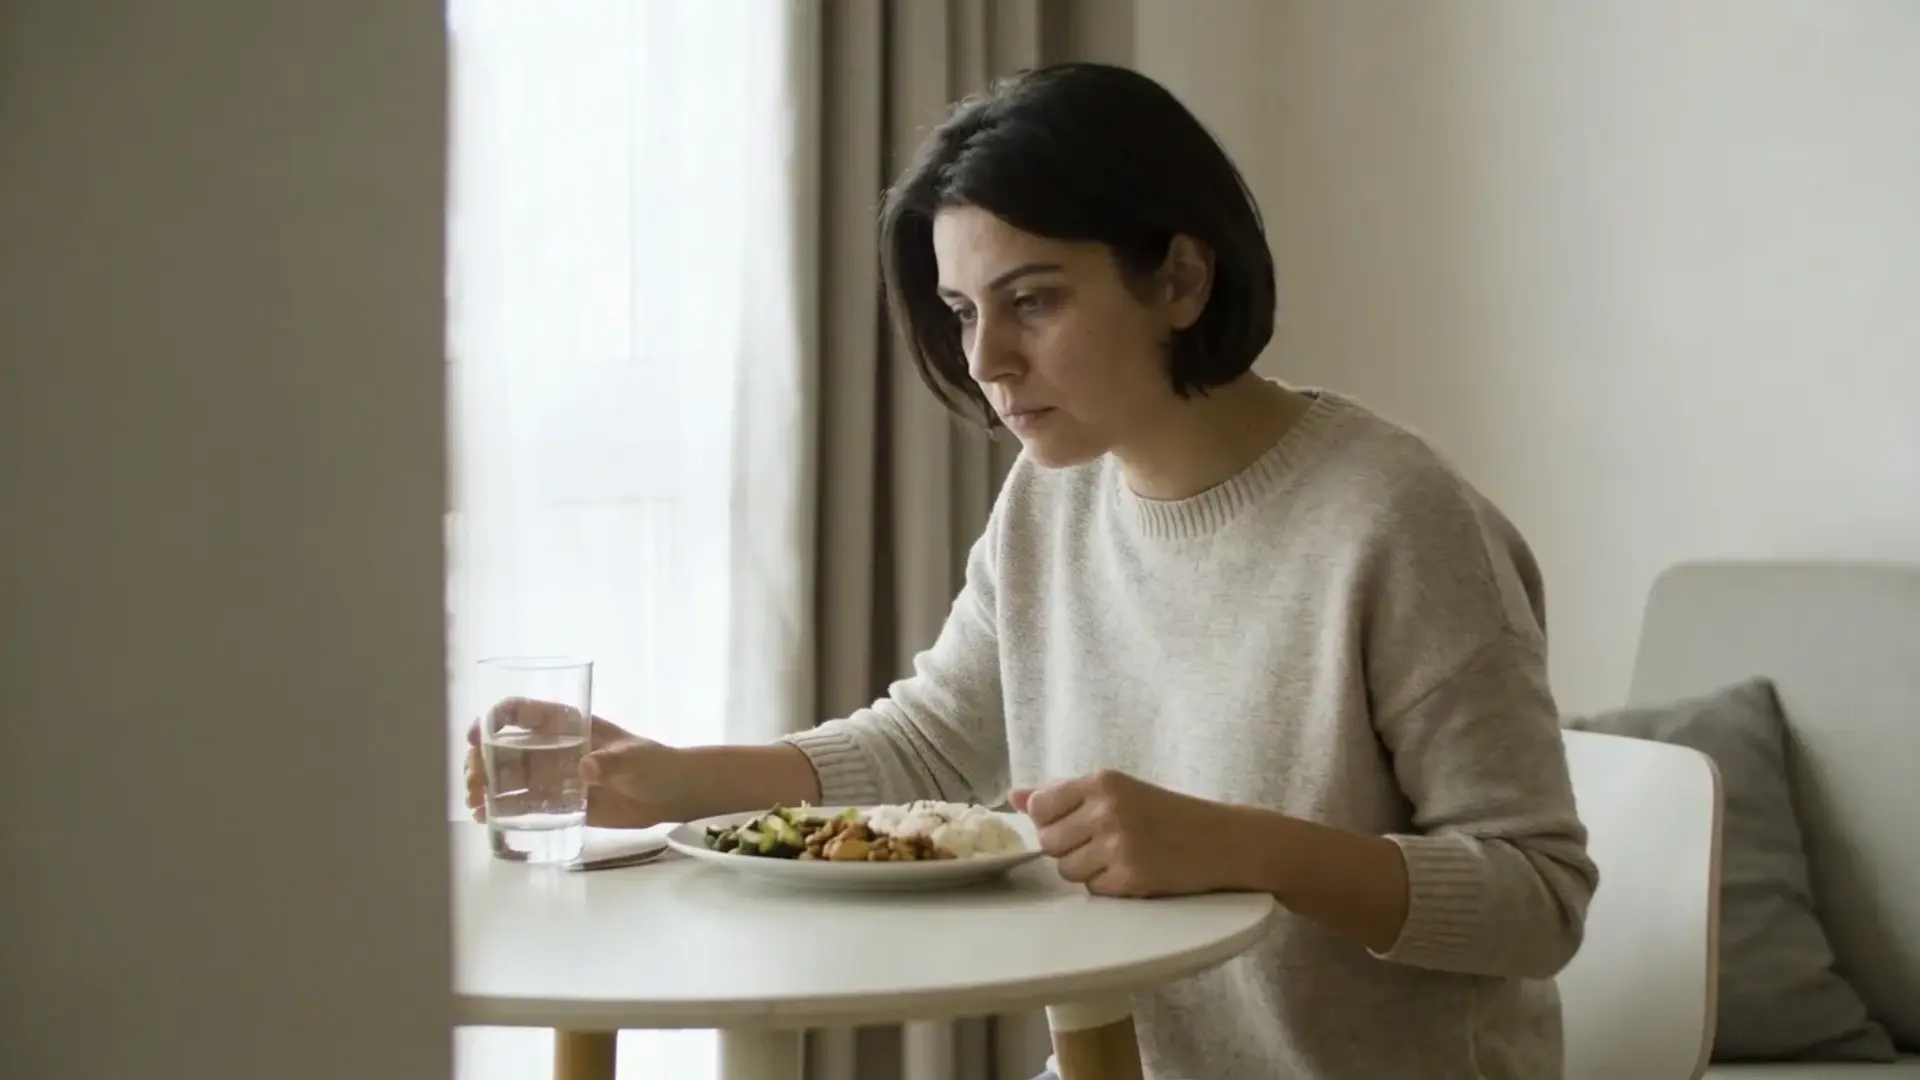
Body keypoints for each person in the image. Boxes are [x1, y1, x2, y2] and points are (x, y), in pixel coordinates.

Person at [466, 62, 1598, 1080]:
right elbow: (931, 739)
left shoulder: (1395, 520)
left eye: (1034, 301)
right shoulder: (1053, 495)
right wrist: (675, 780)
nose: (985, 362)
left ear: (1181, 281)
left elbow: (1537, 899)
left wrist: (1243, 847)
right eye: (962, 312)